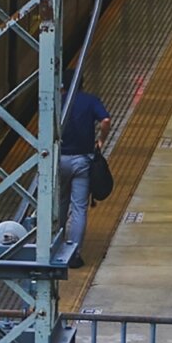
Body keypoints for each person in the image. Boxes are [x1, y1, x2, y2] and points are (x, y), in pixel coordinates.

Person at [59, 85, 111, 268]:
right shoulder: (90, 100)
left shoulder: (57, 99)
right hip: (82, 160)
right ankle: (74, 254)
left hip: (60, 159)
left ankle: (56, 248)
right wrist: (101, 140)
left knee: (61, 203)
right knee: (79, 207)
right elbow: (105, 120)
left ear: (62, 86)